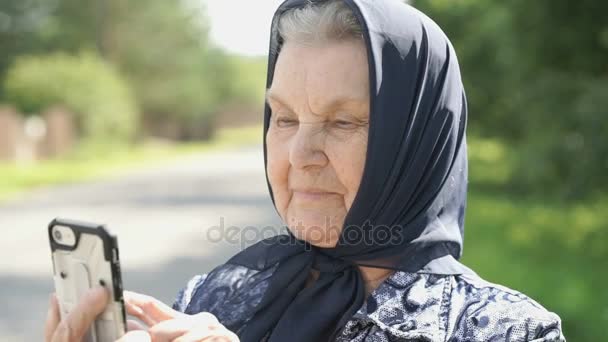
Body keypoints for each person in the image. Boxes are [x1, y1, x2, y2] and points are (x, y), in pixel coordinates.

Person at [44, 0, 566, 341]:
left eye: (342, 122)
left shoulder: (506, 330)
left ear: (416, 144)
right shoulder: (212, 298)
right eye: (285, 118)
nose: (298, 154)